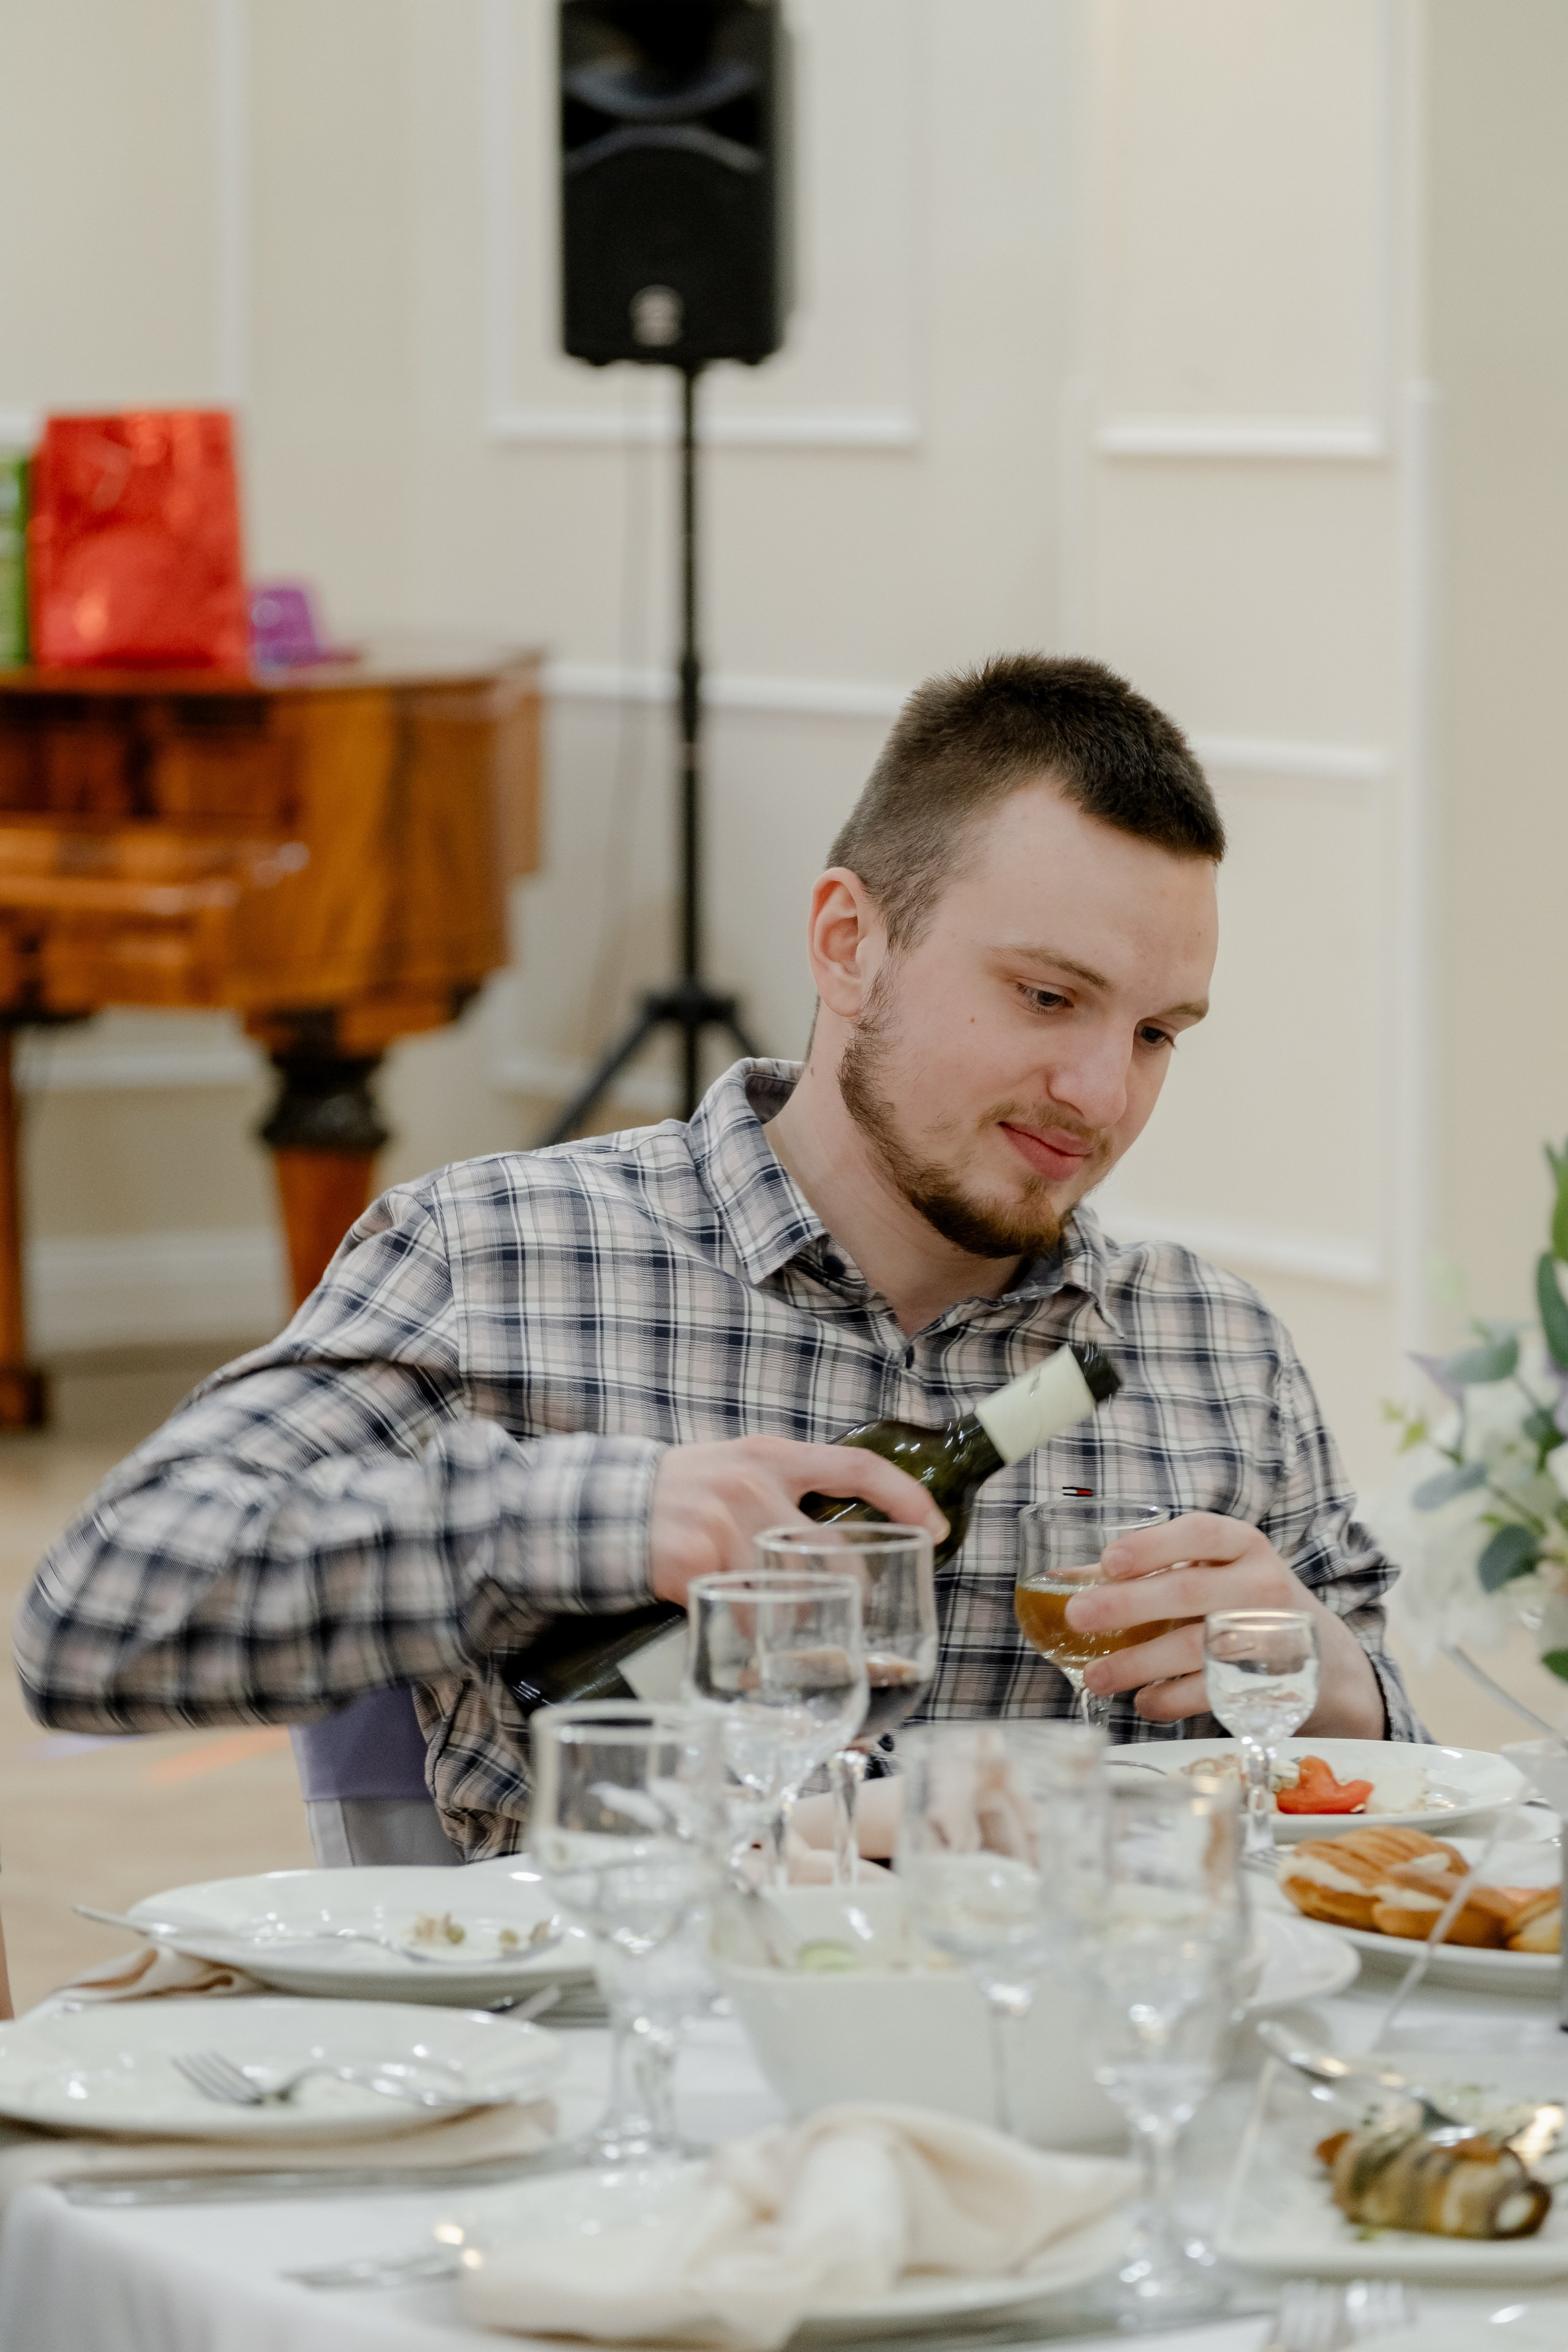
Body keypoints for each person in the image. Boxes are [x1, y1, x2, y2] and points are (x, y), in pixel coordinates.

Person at [15, 655, 1421, 1859]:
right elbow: (93, 1621)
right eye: (1046, 996)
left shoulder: (1209, 1353)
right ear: (846, 943)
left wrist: (1336, 1681)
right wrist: (598, 1518)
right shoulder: (498, 1261)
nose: (1101, 1094)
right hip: (608, 2077)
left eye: (1156, 1033)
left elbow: (1408, 1822)